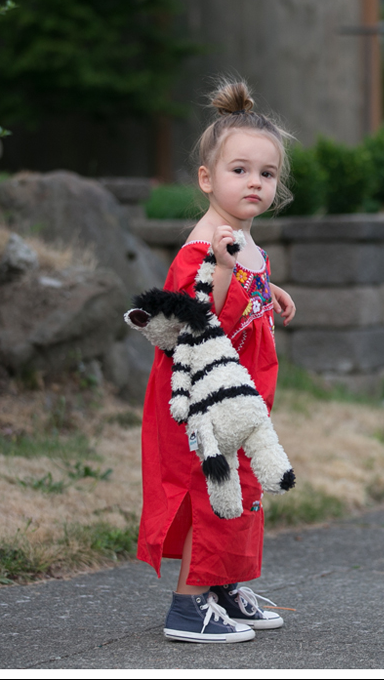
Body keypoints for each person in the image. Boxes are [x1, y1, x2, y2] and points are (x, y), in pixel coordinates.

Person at [136, 79, 297, 644]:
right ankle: (187, 604)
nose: (255, 181)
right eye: (240, 170)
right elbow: (189, 322)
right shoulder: (206, 247)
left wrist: (266, 292)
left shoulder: (237, 239)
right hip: (205, 398)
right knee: (214, 486)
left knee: (244, 483)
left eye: (267, 173)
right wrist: (232, 272)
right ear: (207, 179)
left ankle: (224, 584)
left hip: (242, 393)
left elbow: (241, 291)